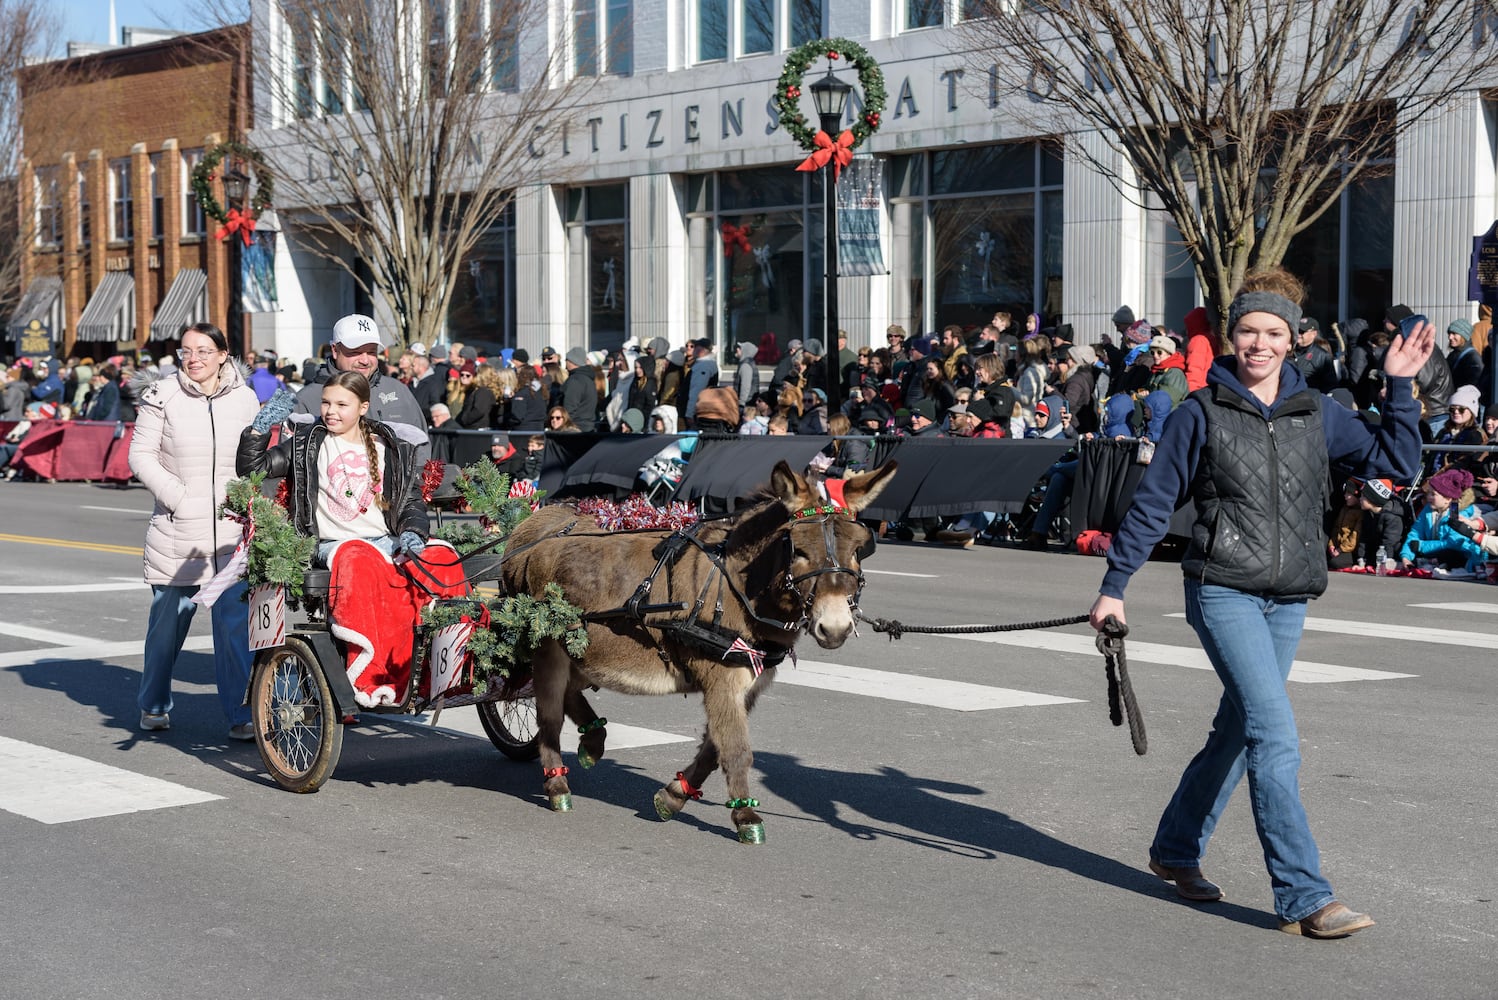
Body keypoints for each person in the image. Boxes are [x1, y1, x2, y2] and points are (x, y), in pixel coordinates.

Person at [1088, 267, 1433, 939]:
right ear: (1230, 338)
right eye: (1247, 331)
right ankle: (1305, 895)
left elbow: (1397, 460)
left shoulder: (1319, 414)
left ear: (1294, 340)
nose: (1259, 343)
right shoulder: (1201, 413)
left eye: (1273, 332)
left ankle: (1175, 849)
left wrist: (1398, 384)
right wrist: (1113, 586)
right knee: (1273, 733)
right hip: (1221, 590)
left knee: (1238, 733)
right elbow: (1155, 503)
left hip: (1290, 596)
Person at [238, 371, 462, 708]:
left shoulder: (389, 445)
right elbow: (252, 468)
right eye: (326, 403)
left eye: (342, 404)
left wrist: (414, 533)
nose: (330, 411)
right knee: (359, 556)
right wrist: (259, 429)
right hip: (337, 546)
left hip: (387, 541)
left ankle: (451, 666)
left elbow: (410, 502)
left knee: (443, 557)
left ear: (363, 407)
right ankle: (374, 674)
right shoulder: (306, 442)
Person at [127, 322, 260, 740]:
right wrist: (178, 497)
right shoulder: (162, 395)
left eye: (204, 350)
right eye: (186, 351)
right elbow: (141, 456)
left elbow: (252, 457)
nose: (194, 359)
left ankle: (240, 713)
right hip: (178, 533)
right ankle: (153, 703)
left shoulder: (245, 397)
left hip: (230, 534)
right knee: (166, 630)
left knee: (235, 629)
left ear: (223, 354)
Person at [294, 314, 428, 459]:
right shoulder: (306, 399)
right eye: (355, 352)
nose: (364, 360)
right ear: (334, 350)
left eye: (371, 352)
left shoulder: (398, 390)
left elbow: (422, 448)